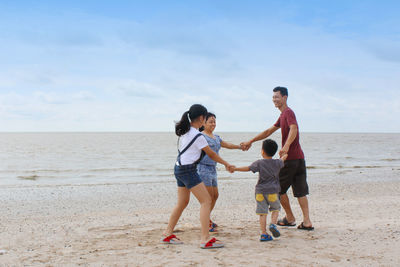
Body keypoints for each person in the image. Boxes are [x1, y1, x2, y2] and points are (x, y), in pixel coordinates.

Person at [161, 104, 235, 249]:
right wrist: (226, 164)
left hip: (178, 168)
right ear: (201, 118)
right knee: (206, 201)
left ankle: (167, 233)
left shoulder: (185, 132)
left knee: (182, 203)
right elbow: (212, 154)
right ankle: (205, 239)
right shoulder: (198, 136)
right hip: (188, 170)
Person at [241, 86, 314, 230]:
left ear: (285, 97)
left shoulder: (288, 112)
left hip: (290, 159)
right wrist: (251, 141)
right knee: (300, 191)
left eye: (277, 97)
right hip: (299, 158)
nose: (274, 99)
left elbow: (294, 128)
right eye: (273, 97)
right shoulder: (283, 115)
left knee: (278, 190)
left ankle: (290, 218)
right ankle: (307, 222)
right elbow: (268, 131)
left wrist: (286, 146)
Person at [234, 139, 287, 241]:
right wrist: (284, 154)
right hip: (273, 192)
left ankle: (263, 233)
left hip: (260, 192)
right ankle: (272, 224)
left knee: (262, 213)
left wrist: (235, 169)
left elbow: (248, 168)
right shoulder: (277, 163)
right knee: (275, 209)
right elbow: (284, 158)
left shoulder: (259, 163)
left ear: (262, 151)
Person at [198, 112, 242, 232]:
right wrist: (226, 164)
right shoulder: (201, 137)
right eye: (210, 121)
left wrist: (239, 147)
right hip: (203, 168)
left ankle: (206, 218)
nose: (213, 124)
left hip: (213, 169)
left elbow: (226, 144)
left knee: (215, 196)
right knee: (208, 197)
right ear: (204, 123)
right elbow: (211, 154)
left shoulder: (216, 137)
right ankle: (205, 221)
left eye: (214, 121)